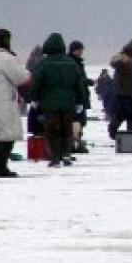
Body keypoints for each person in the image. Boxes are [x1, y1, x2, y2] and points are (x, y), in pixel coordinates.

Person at [0, 28, 32, 178]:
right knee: (7, 136)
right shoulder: (6, 58)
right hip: (3, 103)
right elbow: (22, 78)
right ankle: (1, 168)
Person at [30, 33, 84, 167]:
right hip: (68, 102)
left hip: (49, 103)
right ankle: (66, 154)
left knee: (52, 130)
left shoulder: (43, 64)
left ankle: (55, 157)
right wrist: (80, 101)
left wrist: (34, 98)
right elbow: (79, 84)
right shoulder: (71, 63)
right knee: (67, 129)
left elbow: (37, 83)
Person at [108, 38, 132, 139]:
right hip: (123, 93)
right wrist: (121, 58)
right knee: (121, 114)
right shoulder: (123, 59)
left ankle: (131, 136)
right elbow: (113, 62)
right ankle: (112, 131)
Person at [67, 40, 93, 154]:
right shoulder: (72, 63)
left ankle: (76, 142)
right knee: (76, 121)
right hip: (76, 96)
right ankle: (74, 144)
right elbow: (76, 79)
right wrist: (86, 81)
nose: (80, 52)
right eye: (78, 50)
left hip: (81, 95)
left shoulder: (78, 62)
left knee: (81, 122)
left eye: (81, 50)